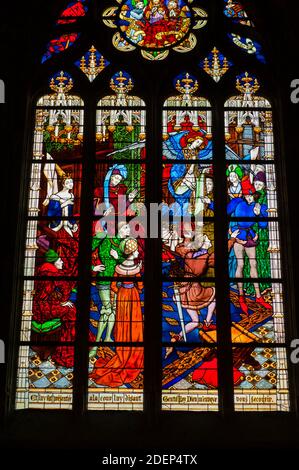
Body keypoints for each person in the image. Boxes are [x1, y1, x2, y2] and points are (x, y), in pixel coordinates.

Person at [89, 238, 143, 387]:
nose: (138, 251)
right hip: (133, 295)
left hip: (122, 296)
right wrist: (135, 287)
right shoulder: (136, 269)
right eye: (136, 249)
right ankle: (134, 345)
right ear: (132, 252)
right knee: (135, 321)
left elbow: (113, 285)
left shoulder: (118, 268)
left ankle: (122, 346)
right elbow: (140, 286)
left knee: (123, 320)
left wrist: (120, 290)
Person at [227, 176, 272, 315]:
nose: (248, 198)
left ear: (254, 194)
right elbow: (224, 212)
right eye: (246, 195)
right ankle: (241, 296)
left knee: (254, 264)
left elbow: (263, 226)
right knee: (240, 265)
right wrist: (209, 203)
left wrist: (259, 215)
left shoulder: (260, 206)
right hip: (239, 235)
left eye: (251, 195)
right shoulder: (237, 202)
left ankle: (258, 296)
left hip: (250, 237)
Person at [89, 222, 131, 355]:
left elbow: (129, 263)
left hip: (118, 281)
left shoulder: (126, 244)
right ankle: (96, 344)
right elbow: (84, 249)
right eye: (126, 227)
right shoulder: (104, 237)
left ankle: (107, 337)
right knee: (106, 310)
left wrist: (118, 257)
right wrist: (92, 268)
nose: (129, 229)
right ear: (118, 229)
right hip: (104, 279)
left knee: (113, 309)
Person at [31, 249, 76, 367]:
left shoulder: (43, 271)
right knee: (72, 312)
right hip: (44, 309)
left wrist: (61, 302)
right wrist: (62, 304)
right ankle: (65, 352)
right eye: (60, 260)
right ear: (53, 263)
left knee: (71, 309)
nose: (62, 262)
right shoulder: (52, 275)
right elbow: (45, 299)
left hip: (42, 307)